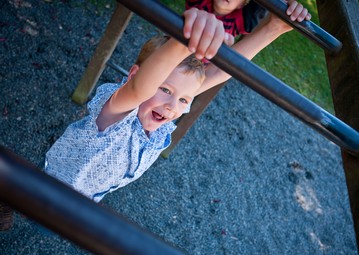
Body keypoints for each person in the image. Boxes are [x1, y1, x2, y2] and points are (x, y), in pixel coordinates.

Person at [44, 9, 232, 202]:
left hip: (87, 197)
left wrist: (266, 32)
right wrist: (186, 41)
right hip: (49, 187)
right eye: (165, 90)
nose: (173, 106)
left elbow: (218, 74)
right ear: (134, 74)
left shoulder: (163, 119)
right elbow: (139, 89)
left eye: (184, 99)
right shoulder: (118, 112)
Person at [185, 0, 312, 61]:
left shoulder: (240, 20)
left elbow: (263, 7)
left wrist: (285, 5)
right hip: (181, 45)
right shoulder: (200, 1)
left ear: (242, 5)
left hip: (199, 67)